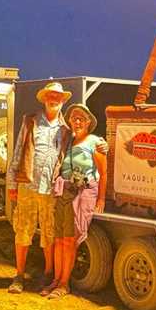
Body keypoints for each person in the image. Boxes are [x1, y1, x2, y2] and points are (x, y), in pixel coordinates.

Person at [5, 82, 72, 294]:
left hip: (50, 189)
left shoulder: (66, 129)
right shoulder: (31, 121)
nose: (54, 99)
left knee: (49, 232)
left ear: (63, 101)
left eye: (58, 97)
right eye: (51, 95)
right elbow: (18, 151)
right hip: (27, 184)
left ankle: (48, 274)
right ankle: (19, 275)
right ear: (44, 99)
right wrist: (12, 183)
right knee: (23, 229)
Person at [42, 104, 107, 299]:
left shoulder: (95, 142)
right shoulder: (68, 141)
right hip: (65, 191)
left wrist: (101, 199)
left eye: (81, 118)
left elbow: (103, 174)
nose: (77, 121)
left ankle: (64, 283)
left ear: (88, 122)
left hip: (83, 192)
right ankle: (56, 280)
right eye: (74, 118)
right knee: (60, 239)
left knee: (70, 240)